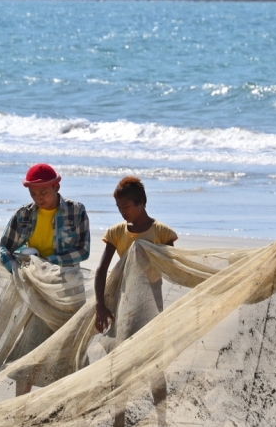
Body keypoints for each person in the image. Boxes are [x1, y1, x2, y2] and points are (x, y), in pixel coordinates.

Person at [0, 163, 90, 395]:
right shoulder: (23, 215)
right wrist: (17, 271)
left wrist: (48, 260)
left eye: (43, 192)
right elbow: (4, 248)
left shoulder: (76, 211)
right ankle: (21, 407)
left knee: (69, 350)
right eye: (33, 193)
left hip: (67, 289)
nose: (38, 198)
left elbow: (83, 251)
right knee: (29, 349)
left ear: (57, 186)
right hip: (37, 289)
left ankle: (69, 405)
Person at [94, 176, 177, 427]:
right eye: (119, 208)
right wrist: (100, 305)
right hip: (124, 304)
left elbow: (174, 267)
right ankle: (119, 420)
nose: (122, 212)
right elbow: (101, 271)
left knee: (154, 365)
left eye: (126, 206)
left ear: (141, 203)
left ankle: (162, 419)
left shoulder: (161, 233)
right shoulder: (117, 233)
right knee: (120, 365)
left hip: (152, 305)